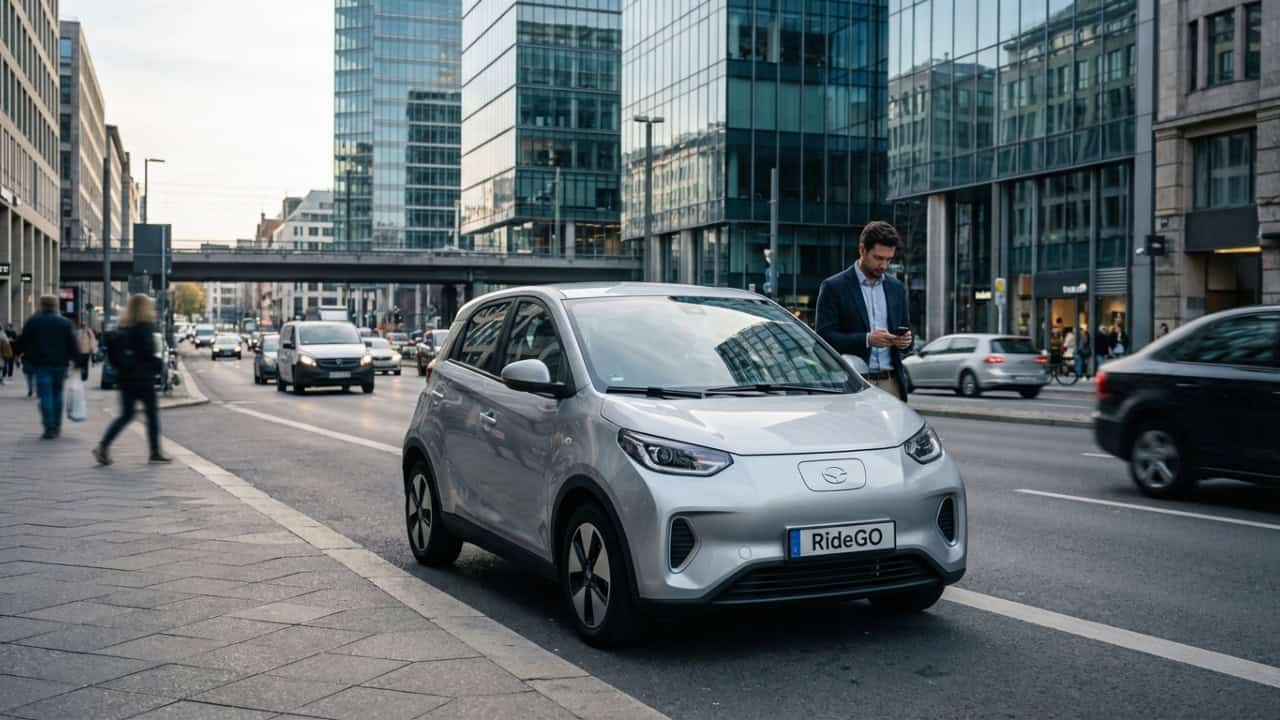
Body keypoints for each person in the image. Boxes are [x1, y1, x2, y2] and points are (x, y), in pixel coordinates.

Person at [815, 221, 913, 401]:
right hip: (854, 384)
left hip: (891, 384)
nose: (884, 265)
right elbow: (823, 339)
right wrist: (867, 339)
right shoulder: (834, 287)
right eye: (878, 258)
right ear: (862, 250)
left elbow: (906, 334)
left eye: (888, 259)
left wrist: (905, 342)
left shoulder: (896, 288)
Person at [93, 294, 172, 465]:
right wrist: (159, 365)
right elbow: (147, 353)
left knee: (126, 415)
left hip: (125, 378)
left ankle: (103, 446)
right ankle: (155, 451)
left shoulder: (123, 327)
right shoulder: (145, 327)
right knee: (151, 415)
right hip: (143, 379)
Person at [14, 295, 78, 439]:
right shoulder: (65, 323)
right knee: (57, 395)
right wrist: (78, 362)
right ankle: (57, 426)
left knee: (45, 396)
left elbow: (22, 341)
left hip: (41, 365)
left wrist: (17, 352)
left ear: (41, 305)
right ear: (56, 305)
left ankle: (49, 428)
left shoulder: (33, 322)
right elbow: (72, 344)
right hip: (60, 365)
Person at [73, 318, 97, 382]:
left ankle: (85, 376)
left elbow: (92, 341)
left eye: (84, 325)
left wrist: (92, 350)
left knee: (85, 364)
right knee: (82, 364)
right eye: (82, 325)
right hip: (80, 352)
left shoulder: (89, 332)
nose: (83, 326)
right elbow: (75, 341)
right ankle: (82, 375)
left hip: (86, 351)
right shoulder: (78, 332)